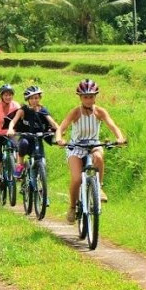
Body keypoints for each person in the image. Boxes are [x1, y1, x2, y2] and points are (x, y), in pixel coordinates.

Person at [55, 79, 126, 223]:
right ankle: (72, 207)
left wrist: (119, 138)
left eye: (91, 96)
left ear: (95, 97)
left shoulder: (100, 111)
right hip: (76, 147)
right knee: (76, 179)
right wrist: (59, 139)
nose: (89, 100)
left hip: (94, 144)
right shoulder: (76, 112)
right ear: (80, 97)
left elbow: (112, 125)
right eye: (85, 97)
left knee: (99, 158)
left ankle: (98, 188)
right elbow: (61, 128)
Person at [6, 85, 60, 182]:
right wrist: (10, 129)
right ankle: (20, 165)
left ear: (39, 98)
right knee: (23, 144)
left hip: (37, 138)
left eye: (36, 98)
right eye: (32, 98)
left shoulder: (43, 110)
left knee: (41, 161)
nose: (34, 100)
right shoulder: (23, 110)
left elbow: (52, 122)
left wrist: (59, 131)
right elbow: (13, 121)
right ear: (28, 99)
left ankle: (41, 190)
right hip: (26, 137)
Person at [0, 84, 20, 192]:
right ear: (2, 96)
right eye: (6, 95)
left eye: (10, 95)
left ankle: (15, 167)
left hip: (9, 134)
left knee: (17, 147)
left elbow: (20, 118)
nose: (8, 97)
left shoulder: (16, 106)